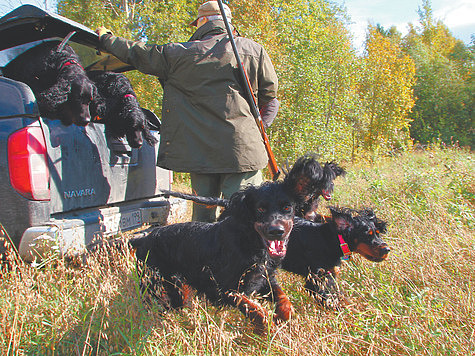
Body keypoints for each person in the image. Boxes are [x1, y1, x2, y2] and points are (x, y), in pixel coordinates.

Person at [96, 0, 280, 222]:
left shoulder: (178, 54)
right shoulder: (253, 50)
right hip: (242, 151)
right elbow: (270, 98)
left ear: (202, 22)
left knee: (202, 222)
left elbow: (138, 53)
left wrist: (107, 38)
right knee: (246, 220)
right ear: (228, 22)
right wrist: (258, 132)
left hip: (199, 153)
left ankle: (204, 257)